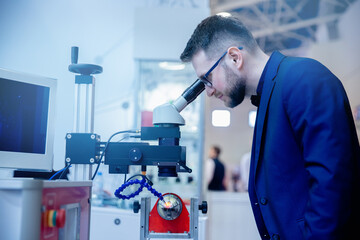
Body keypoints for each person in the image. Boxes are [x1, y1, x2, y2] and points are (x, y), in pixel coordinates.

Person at [180, 15, 360, 240]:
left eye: (207, 79)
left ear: (235, 57)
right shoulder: (271, 96)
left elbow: (333, 186)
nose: (208, 91)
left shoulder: (305, 79)